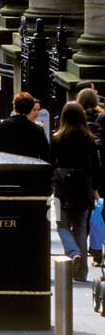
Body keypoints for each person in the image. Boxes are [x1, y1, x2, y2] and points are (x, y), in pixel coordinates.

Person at [49, 102, 103, 281]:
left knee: (61, 225)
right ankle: (81, 273)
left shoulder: (57, 138)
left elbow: (50, 164)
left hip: (61, 189)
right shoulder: (88, 139)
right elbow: (96, 167)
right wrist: (95, 189)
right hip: (83, 188)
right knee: (80, 227)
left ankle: (73, 253)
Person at [0, 90, 50, 160]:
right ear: (30, 110)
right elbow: (46, 155)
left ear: (14, 108)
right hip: (28, 169)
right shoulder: (38, 130)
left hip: (6, 168)